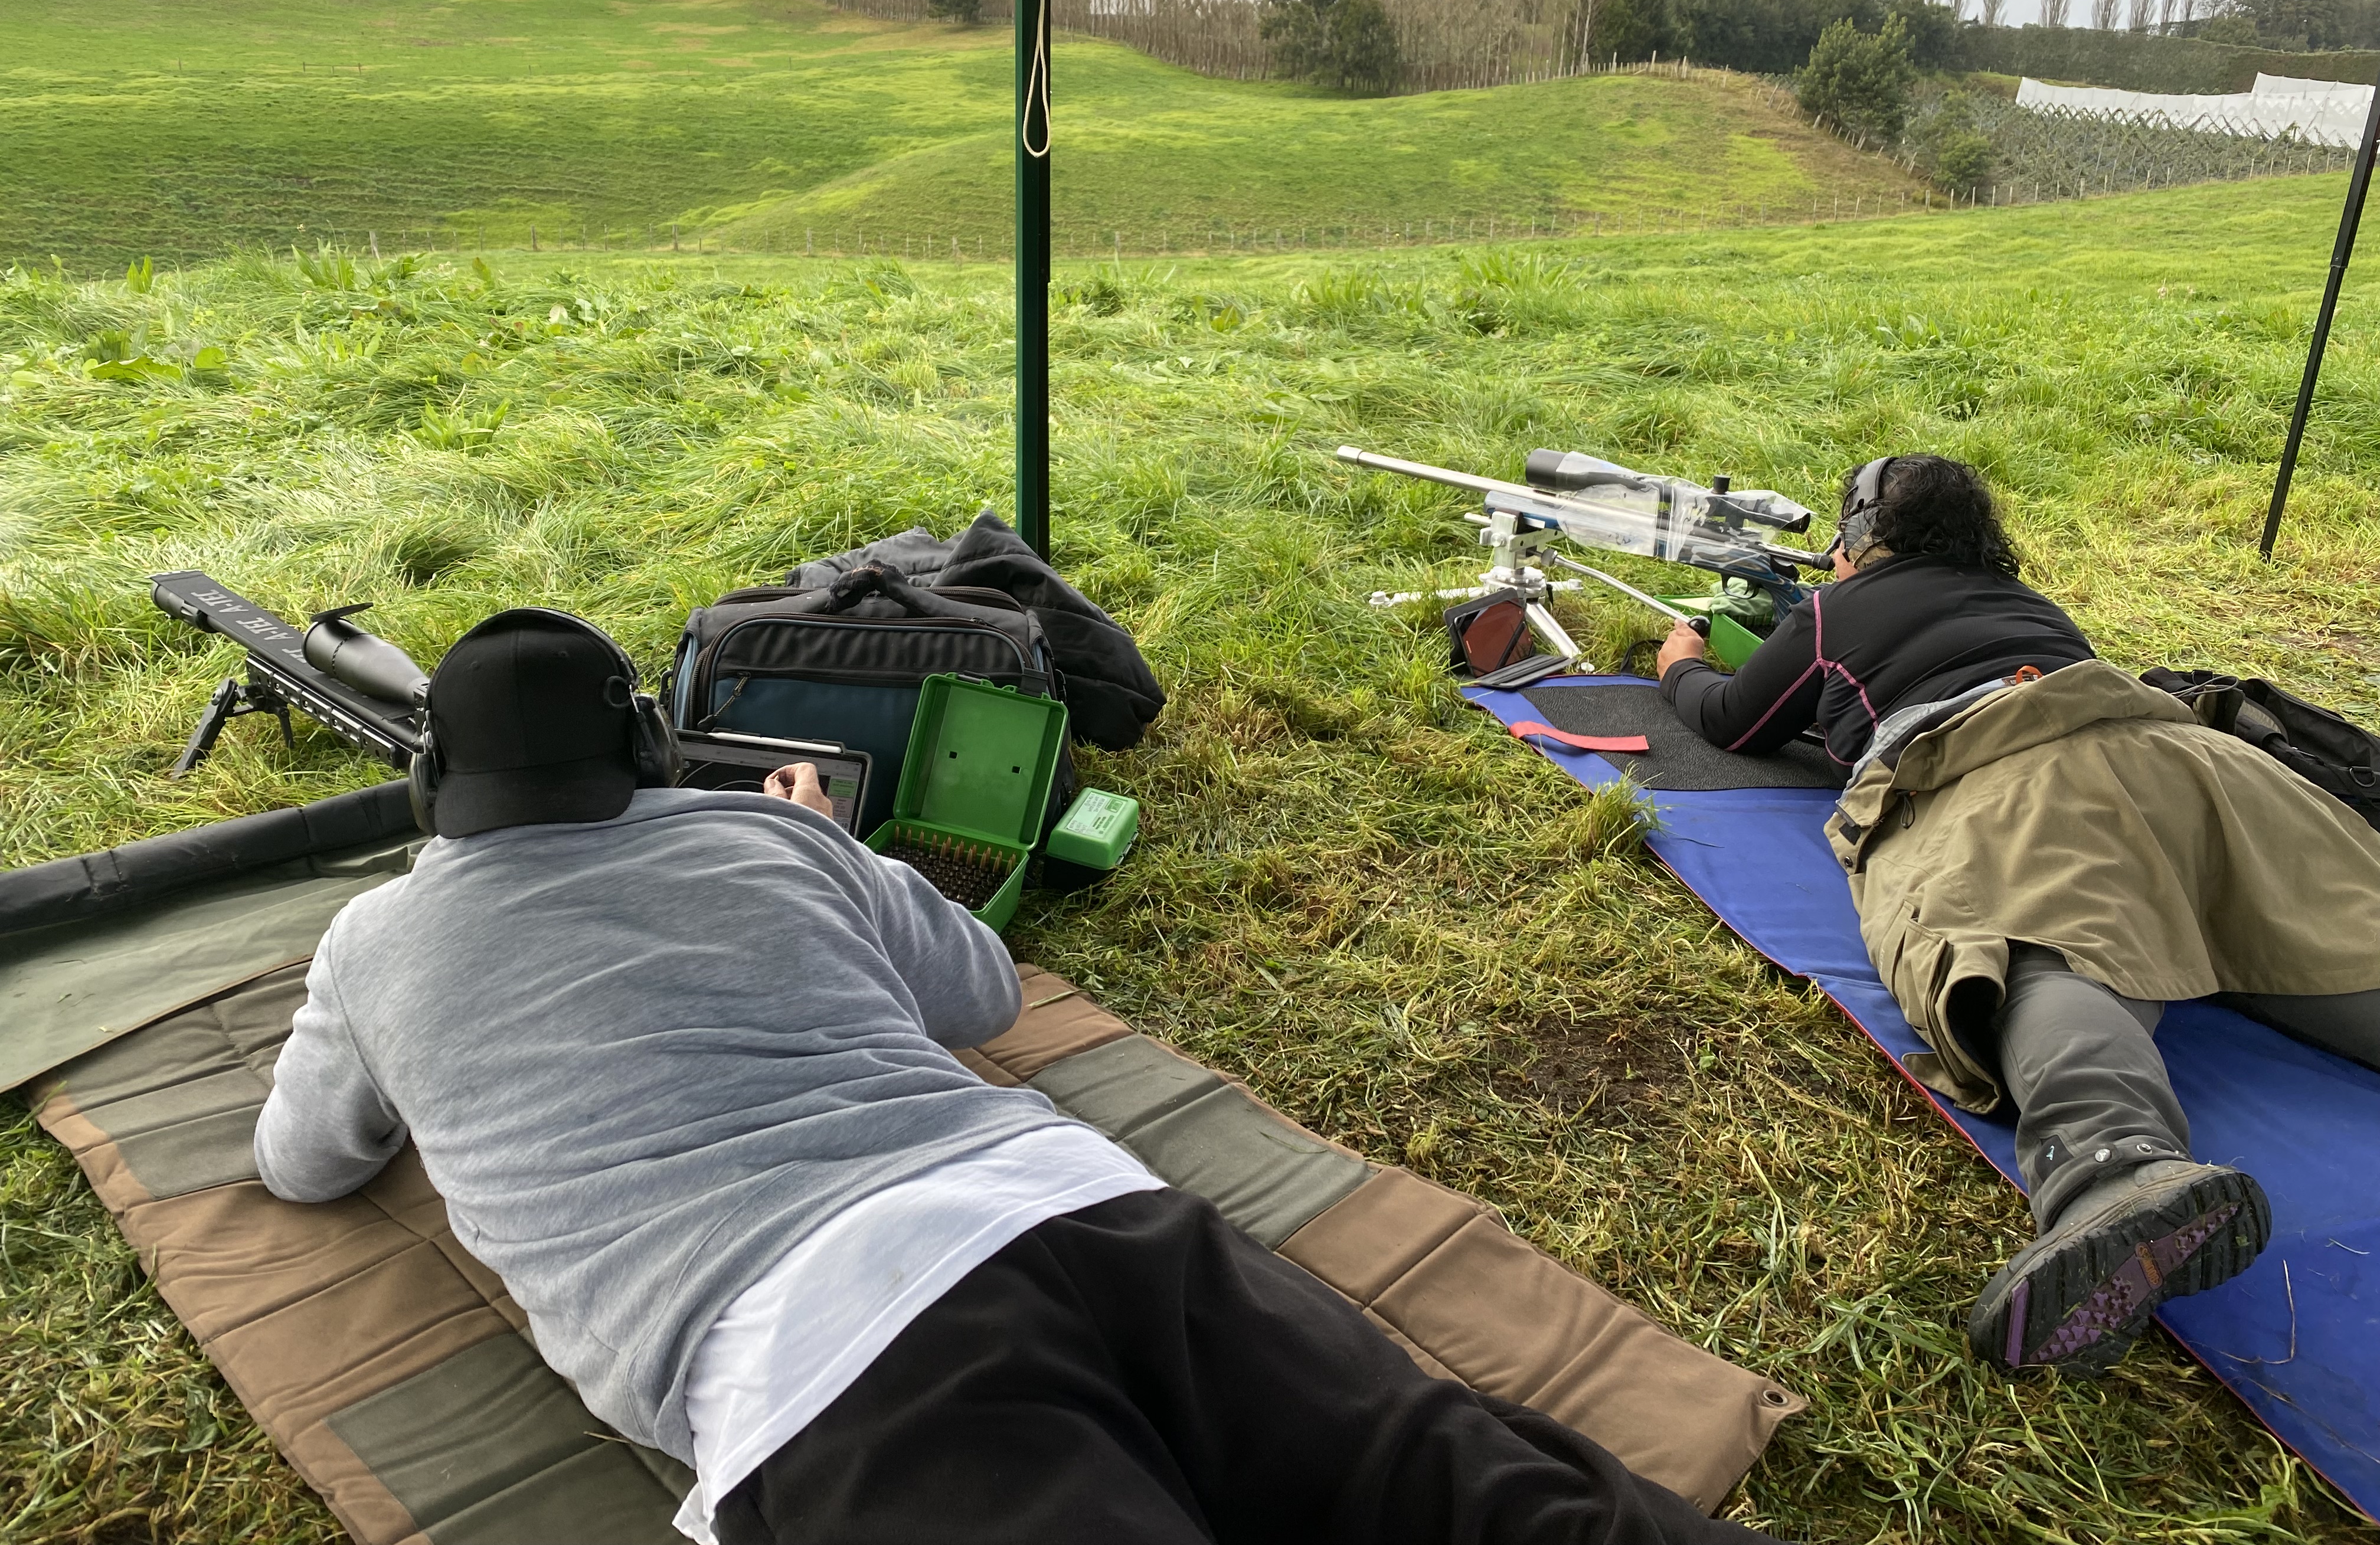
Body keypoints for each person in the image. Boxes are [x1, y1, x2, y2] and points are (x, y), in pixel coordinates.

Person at [256, 607, 1770, 1545]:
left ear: (432, 791)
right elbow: (979, 991)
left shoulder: (372, 942)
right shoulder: (775, 834)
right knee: (1492, 1498)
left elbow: (304, 1163)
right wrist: (834, 856)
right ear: (652, 754)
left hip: (822, 1363)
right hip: (1095, 1221)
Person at [1655, 454, 2380, 1376]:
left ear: (1862, 538)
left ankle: (2116, 1171)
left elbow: (1731, 721)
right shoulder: (2025, 601)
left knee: (2028, 951)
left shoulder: (1835, 611)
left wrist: (1680, 663)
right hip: (2188, 757)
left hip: (2010, 779)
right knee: (2327, 932)